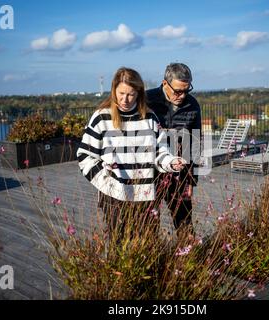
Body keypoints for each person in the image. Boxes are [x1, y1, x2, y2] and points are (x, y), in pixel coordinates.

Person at [76, 67, 186, 240]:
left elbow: (160, 152)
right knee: (118, 248)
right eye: (121, 93)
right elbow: (84, 156)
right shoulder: (101, 118)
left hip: (146, 196)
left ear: (139, 94)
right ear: (113, 90)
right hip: (114, 197)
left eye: (130, 94)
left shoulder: (149, 118)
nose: (125, 99)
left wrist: (171, 163)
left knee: (148, 246)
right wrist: (105, 182)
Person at [146, 63, 202, 237]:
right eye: (178, 91)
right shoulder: (147, 100)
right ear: (165, 83)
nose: (182, 96)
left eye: (187, 90)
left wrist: (191, 180)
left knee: (184, 220)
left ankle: (189, 257)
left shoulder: (192, 105)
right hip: (150, 170)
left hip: (179, 170)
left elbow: (196, 143)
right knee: (149, 223)